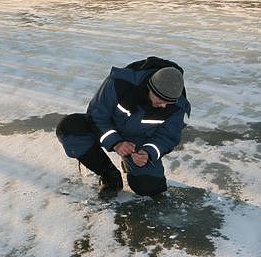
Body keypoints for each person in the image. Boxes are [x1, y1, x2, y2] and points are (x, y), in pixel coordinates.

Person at [56, 56, 191, 199]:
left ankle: (129, 164)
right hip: (109, 128)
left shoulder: (177, 105)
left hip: (139, 141)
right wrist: (116, 142)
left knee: (150, 187)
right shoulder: (120, 83)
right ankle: (109, 175)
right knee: (69, 128)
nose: (164, 106)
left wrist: (148, 153)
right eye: (161, 100)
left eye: (168, 103)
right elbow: (97, 115)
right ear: (150, 88)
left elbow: (167, 137)